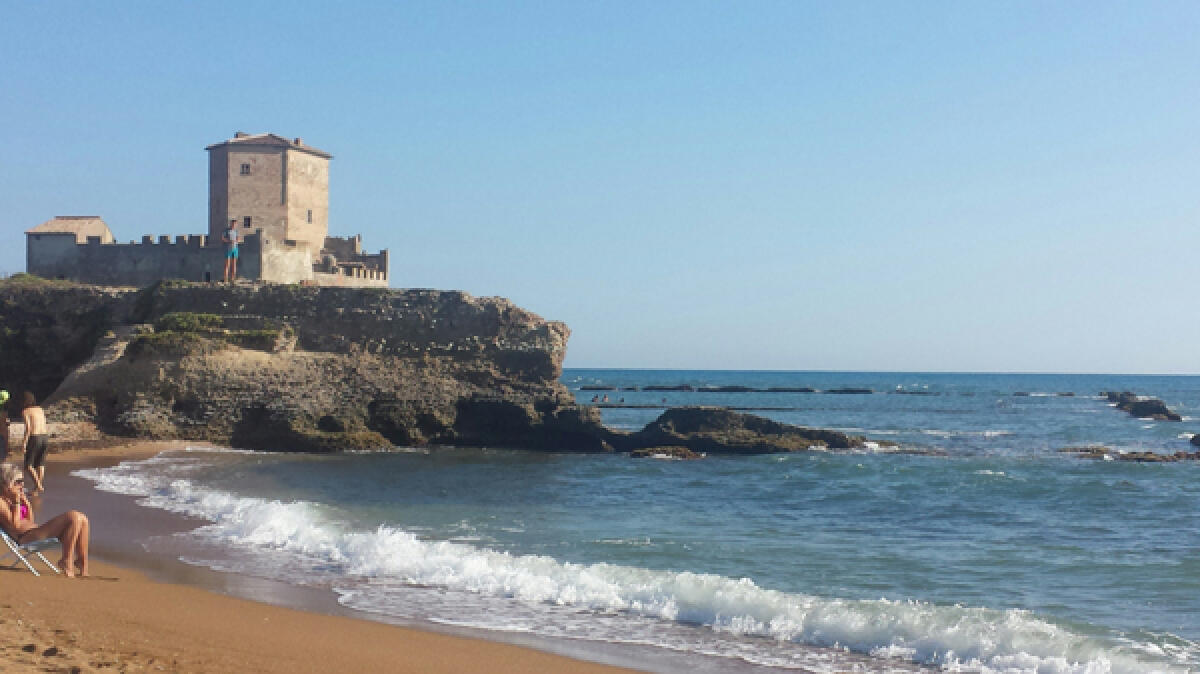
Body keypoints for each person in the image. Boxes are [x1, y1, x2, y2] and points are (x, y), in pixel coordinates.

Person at [0, 464, 90, 577]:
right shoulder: (1, 502)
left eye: (22, 481)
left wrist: (26, 503)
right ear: (6, 484)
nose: (22, 485)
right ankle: (66, 560)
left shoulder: (12, 498)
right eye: (18, 482)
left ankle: (82, 563)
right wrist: (17, 502)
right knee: (74, 516)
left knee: (83, 519)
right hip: (26, 538)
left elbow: (30, 521)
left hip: (35, 532)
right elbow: (15, 526)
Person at [21, 391, 48, 493]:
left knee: (28, 465)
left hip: (34, 437)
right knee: (40, 463)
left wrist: (24, 443)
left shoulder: (25, 411)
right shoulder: (40, 409)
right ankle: (37, 488)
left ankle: (39, 486)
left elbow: (28, 428)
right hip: (45, 436)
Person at [222, 218, 240, 282]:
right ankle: (225, 278)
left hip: (235, 248)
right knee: (227, 264)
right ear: (231, 224)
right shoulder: (226, 231)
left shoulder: (236, 231)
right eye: (233, 224)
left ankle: (232, 278)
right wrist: (229, 241)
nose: (234, 225)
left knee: (234, 263)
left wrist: (236, 241)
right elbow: (223, 238)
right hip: (228, 248)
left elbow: (238, 239)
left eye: (235, 224)